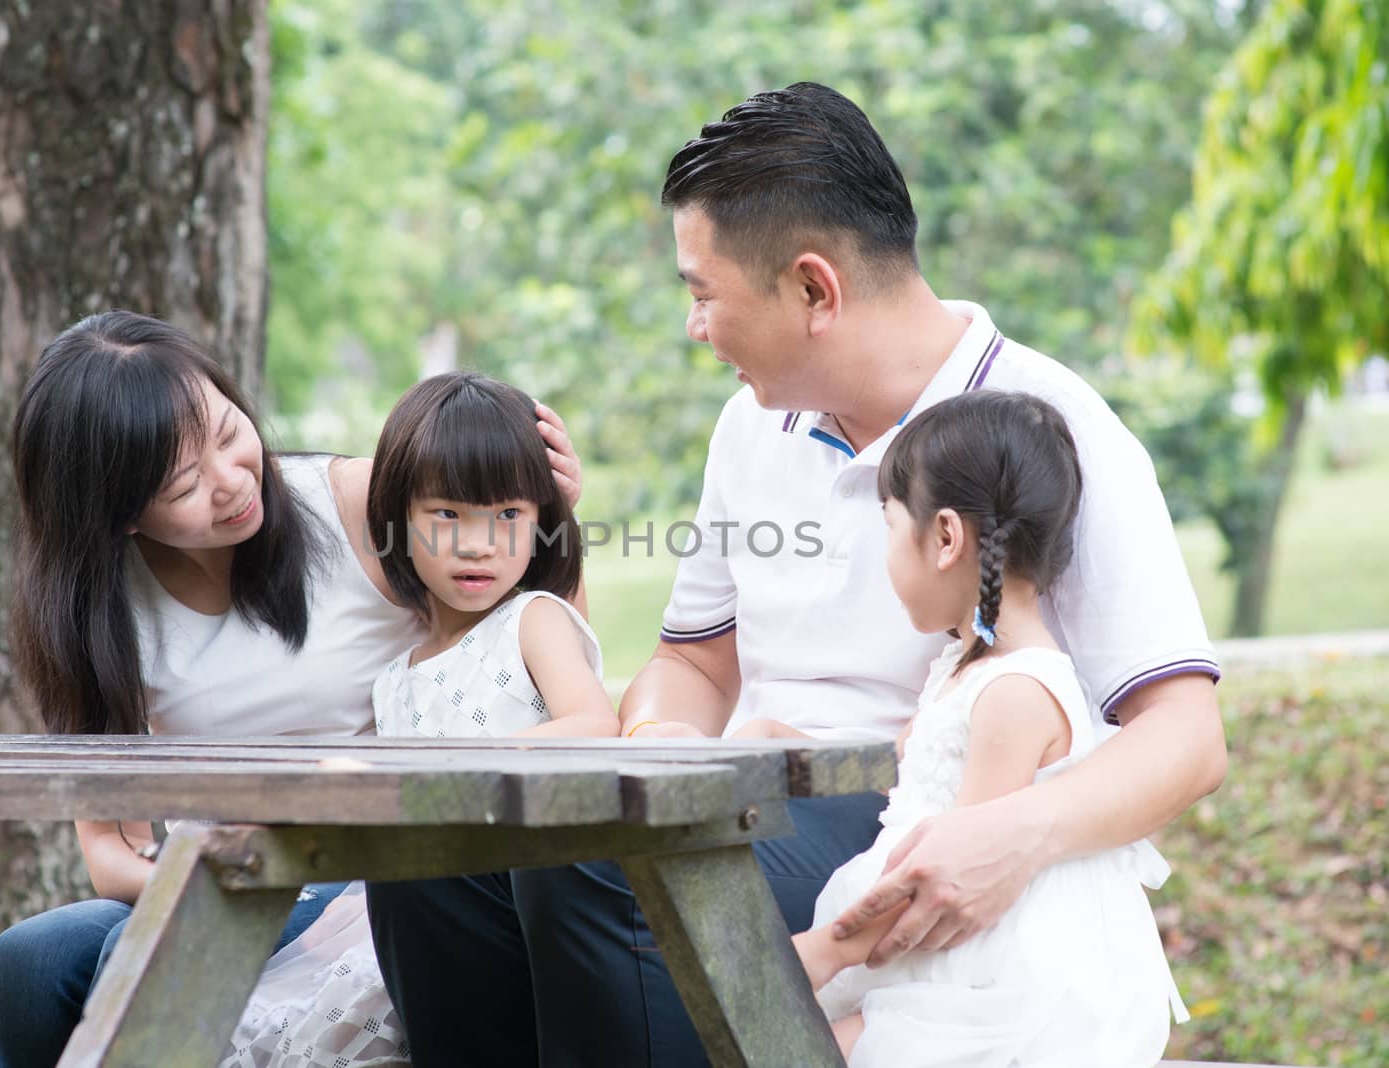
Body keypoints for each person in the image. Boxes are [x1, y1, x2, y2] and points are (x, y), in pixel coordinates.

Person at [366, 82, 1225, 1066]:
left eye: (702, 293)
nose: (694, 327)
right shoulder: (751, 424)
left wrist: (1013, 834)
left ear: (814, 289)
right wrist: (664, 753)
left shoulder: (1047, 424)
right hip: (748, 791)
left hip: (904, 807)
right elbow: (691, 665)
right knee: (431, 854)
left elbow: (1186, 738)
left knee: (590, 868)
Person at [0, 313, 584, 1068]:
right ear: (119, 514)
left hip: (375, 876)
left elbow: (530, 633)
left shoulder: (358, 504)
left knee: (134, 970)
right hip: (222, 875)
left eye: (230, 434)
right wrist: (221, 878)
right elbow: (114, 848)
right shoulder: (94, 611)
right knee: (24, 969)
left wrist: (550, 510)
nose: (231, 483)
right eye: (184, 483)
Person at [220, 371, 617, 1067]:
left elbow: (592, 724)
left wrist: (447, 766)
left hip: (515, 905)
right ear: (397, 524)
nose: (477, 545)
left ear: (540, 522)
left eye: (507, 518)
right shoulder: (394, 681)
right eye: (447, 517)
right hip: (401, 921)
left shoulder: (534, 621)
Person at [790, 390, 1188, 1065]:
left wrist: (826, 952)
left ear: (945, 537)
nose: (887, 554)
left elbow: (952, 870)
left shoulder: (1015, 692)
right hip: (939, 956)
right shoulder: (969, 664)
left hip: (990, 983)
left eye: (889, 527)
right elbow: (921, 774)